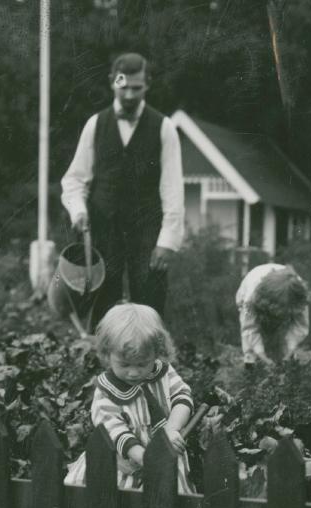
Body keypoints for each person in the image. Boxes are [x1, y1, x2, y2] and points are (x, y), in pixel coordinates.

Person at [60, 52, 185, 329]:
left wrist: (167, 240)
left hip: (147, 229)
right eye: (123, 86)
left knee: (149, 299)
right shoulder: (95, 124)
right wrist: (78, 211)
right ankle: (100, 360)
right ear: (111, 83)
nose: (129, 94)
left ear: (148, 84)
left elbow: (173, 189)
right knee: (102, 299)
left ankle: (150, 365)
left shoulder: (164, 128)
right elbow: (74, 179)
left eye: (136, 88)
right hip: (103, 227)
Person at [64, 304, 195, 494]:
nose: (133, 373)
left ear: (156, 353)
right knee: (119, 504)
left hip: (166, 453)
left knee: (166, 501)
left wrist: (172, 428)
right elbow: (115, 431)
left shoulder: (162, 372)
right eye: (124, 364)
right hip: (124, 464)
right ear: (108, 354)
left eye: (142, 363)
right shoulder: (107, 392)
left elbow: (182, 397)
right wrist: (145, 457)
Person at [235, 262, 311, 368]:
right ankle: (250, 363)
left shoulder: (299, 294)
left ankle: (289, 362)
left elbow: (300, 326)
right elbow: (249, 328)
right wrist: (262, 355)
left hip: (278, 291)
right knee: (251, 342)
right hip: (251, 291)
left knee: (286, 346)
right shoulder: (248, 301)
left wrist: (289, 350)